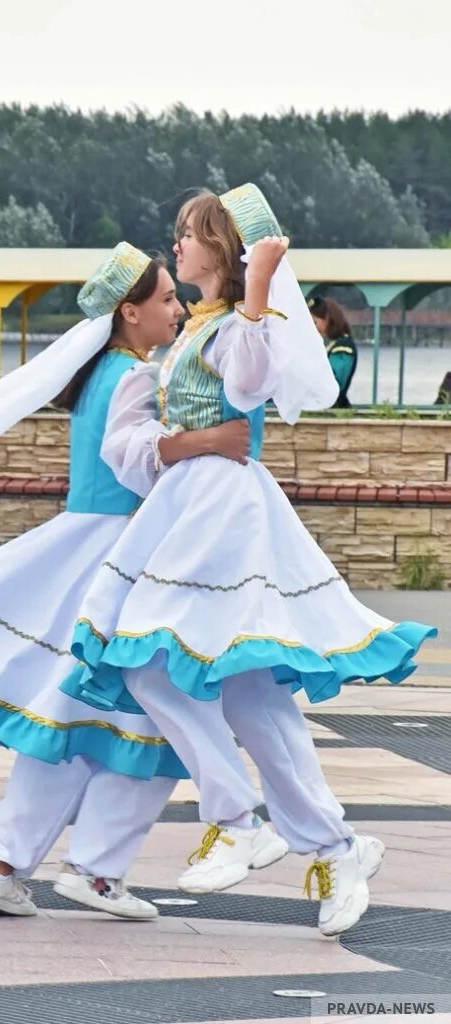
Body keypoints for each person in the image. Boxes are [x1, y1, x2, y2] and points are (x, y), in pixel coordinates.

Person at [64, 184, 435, 936]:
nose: (176, 246)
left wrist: (259, 288)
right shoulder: (187, 336)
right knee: (247, 696)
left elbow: (247, 384)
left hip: (225, 519)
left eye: (188, 235)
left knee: (164, 666)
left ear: (223, 252)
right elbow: (140, 444)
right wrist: (176, 440)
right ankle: (328, 843)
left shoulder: (236, 325)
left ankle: (242, 821)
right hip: (188, 510)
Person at [0, 244, 250, 919]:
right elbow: (135, 466)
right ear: (129, 313)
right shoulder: (134, 377)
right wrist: (203, 444)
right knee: (148, 717)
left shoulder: (104, 374)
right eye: (163, 301)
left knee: (76, 716)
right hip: (122, 558)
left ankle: (10, 863)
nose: (175, 309)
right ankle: (85, 869)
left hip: (91, 547)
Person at [308, 295, 356, 408]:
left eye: (315, 322)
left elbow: (335, 382)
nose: (313, 327)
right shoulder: (332, 344)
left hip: (334, 408)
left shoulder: (343, 347)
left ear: (328, 319)